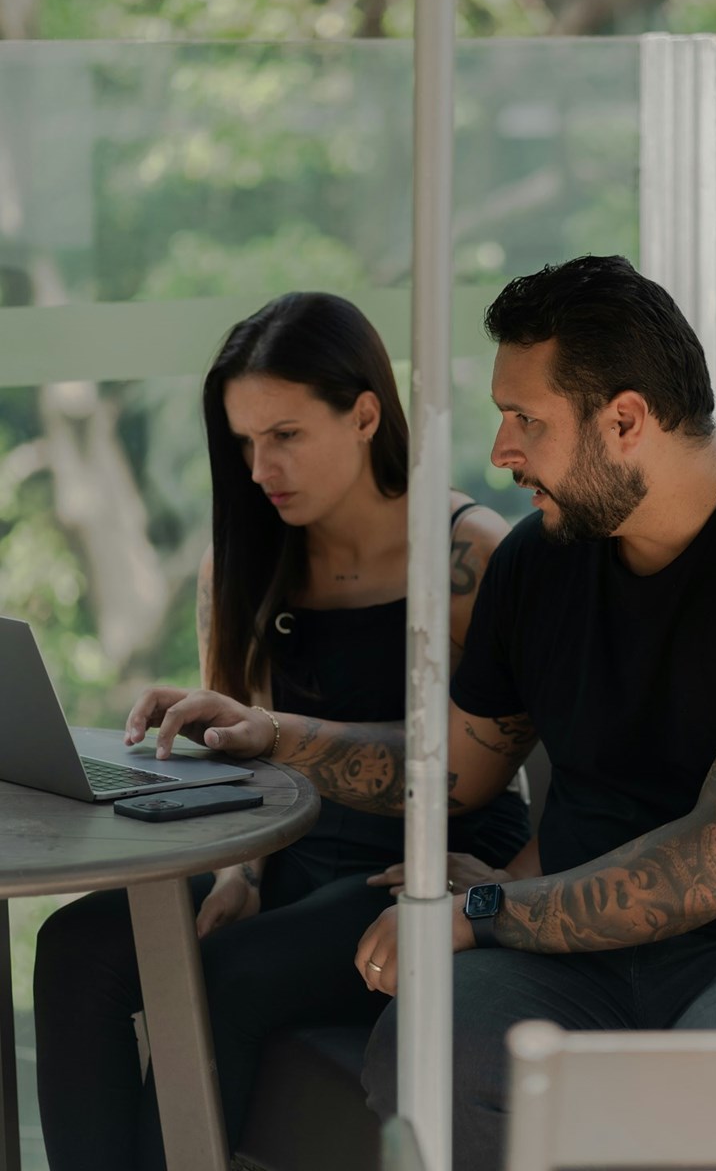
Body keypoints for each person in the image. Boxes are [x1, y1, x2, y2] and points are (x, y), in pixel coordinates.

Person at [33, 291, 530, 1171]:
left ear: (366, 413)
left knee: (227, 977)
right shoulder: (243, 557)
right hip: (288, 851)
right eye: (244, 441)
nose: (262, 466)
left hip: (418, 868)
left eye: (287, 435)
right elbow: (244, 755)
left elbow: (466, 778)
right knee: (77, 946)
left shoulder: (471, 557)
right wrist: (240, 868)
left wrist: (274, 734)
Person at [354, 254, 716, 1171]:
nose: (499, 451)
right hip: (571, 949)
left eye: (525, 419)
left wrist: (487, 905)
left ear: (626, 419)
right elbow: (453, 771)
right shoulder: (538, 559)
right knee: (427, 1043)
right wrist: (266, 738)